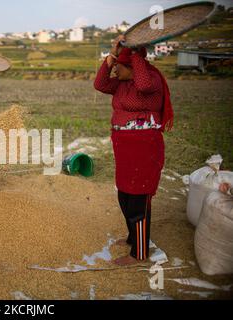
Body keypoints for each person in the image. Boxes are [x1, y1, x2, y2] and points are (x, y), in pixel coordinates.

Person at [94, 35, 174, 266]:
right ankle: (133, 237)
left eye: (119, 66)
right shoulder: (122, 84)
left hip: (144, 148)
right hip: (125, 147)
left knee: (138, 198)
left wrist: (136, 53)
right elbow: (99, 84)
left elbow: (144, 84)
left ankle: (139, 253)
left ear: (132, 66)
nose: (115, 70)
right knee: (125, 195)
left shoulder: (151, 80)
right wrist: (112, 54)